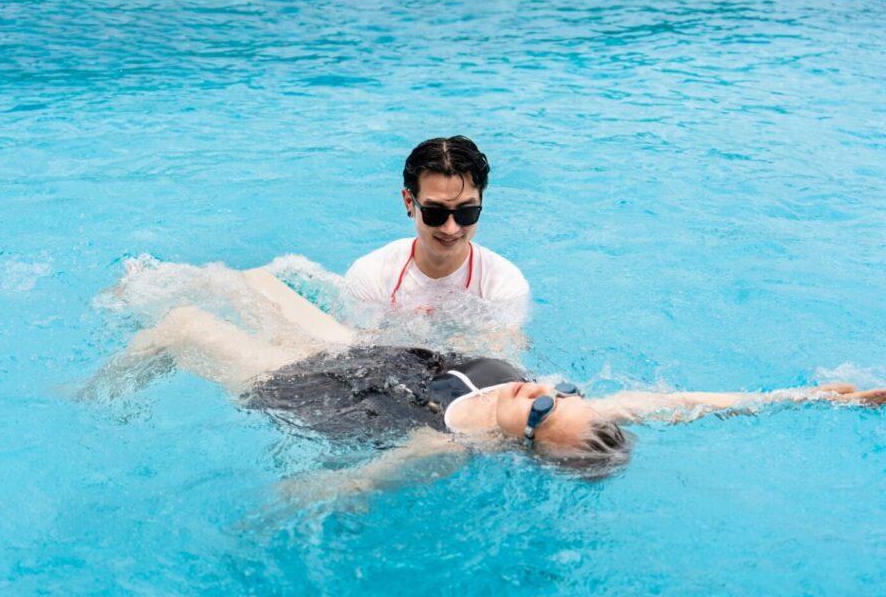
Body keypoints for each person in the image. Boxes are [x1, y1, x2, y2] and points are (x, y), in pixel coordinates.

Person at [84, 268, 886, 493]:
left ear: (526, 445)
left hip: (313, 391)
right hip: (378, 358)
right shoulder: (573, 407)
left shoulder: (449, 447)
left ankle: (93, 402)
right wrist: (820, 396)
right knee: (247, 279)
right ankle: (133, 287)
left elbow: (353, 485)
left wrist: (290, 509)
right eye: (558, 393)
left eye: (538, 413)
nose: (535, 394)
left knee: (183, 330)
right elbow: (691, 405)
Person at [345, 136, 531, 322]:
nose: (450, 229)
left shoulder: (504, 285)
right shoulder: (371, 275)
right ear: (409, 202)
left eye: (466, 212)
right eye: (435, 212)